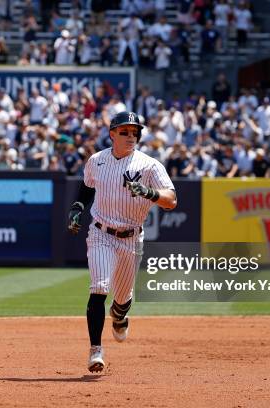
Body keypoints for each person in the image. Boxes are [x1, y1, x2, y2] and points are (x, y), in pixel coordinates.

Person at [67, 111, 177, 372]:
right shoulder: (97, 160)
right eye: (125, 131)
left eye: (135, 132)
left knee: (123, 298)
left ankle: (120, 315)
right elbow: (87, 186)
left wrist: (149, 193)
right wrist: (77, 206)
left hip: (131, 237)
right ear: (112, 134)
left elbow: (171, 200)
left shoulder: (149, 165)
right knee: (99, 287)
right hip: (100, 233)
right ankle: (96, 351)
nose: (131, 136)